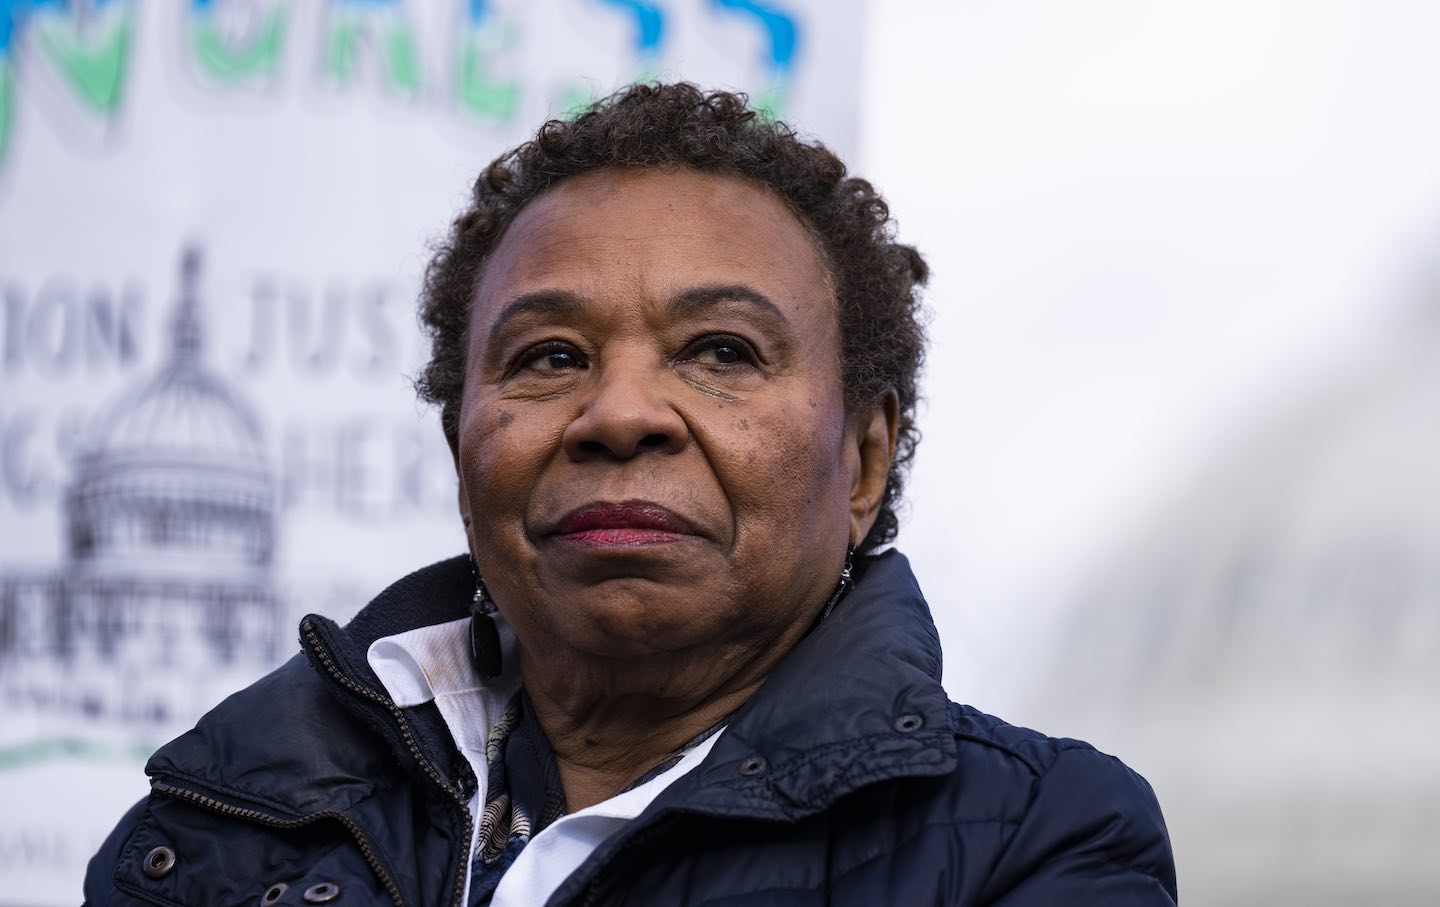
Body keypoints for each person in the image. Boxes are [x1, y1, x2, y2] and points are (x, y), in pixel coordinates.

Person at [84, 83, 1177, 906]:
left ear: (864, 459)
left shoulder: (1040, 838)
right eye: (550, 357)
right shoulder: (217, 827)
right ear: (459, 441)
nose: (620, 412)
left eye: (721, 350)